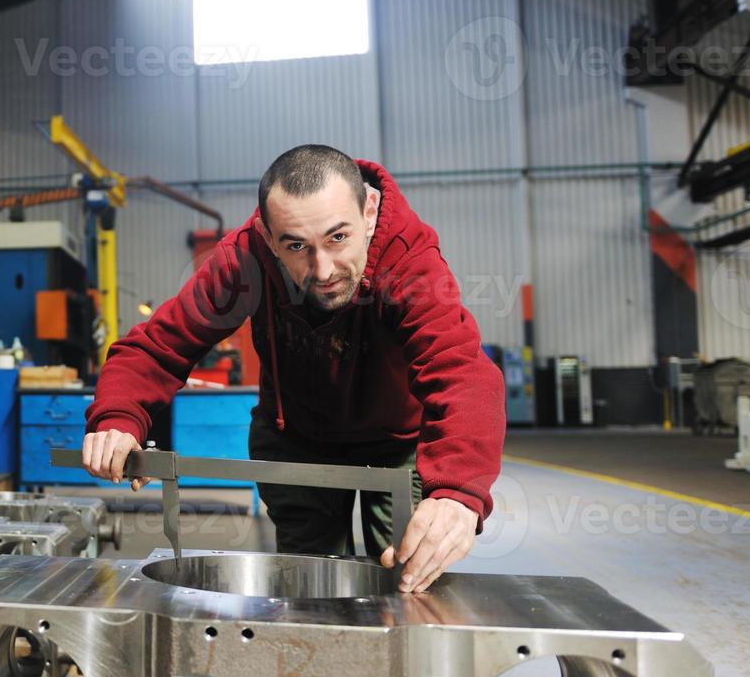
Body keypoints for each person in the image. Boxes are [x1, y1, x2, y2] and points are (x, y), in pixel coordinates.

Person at [81, 145, 504, 593]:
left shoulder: (408, 259)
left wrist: (458, 492)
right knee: (308, 590)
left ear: (369, 210)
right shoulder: (244, 262)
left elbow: (461, 372)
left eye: (338, 238)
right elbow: (156, 347)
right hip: (296, 440)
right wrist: (118, 417)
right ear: (266, 236)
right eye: (297, 247)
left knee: (409, 580)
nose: (322, 270)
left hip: (398, 444)